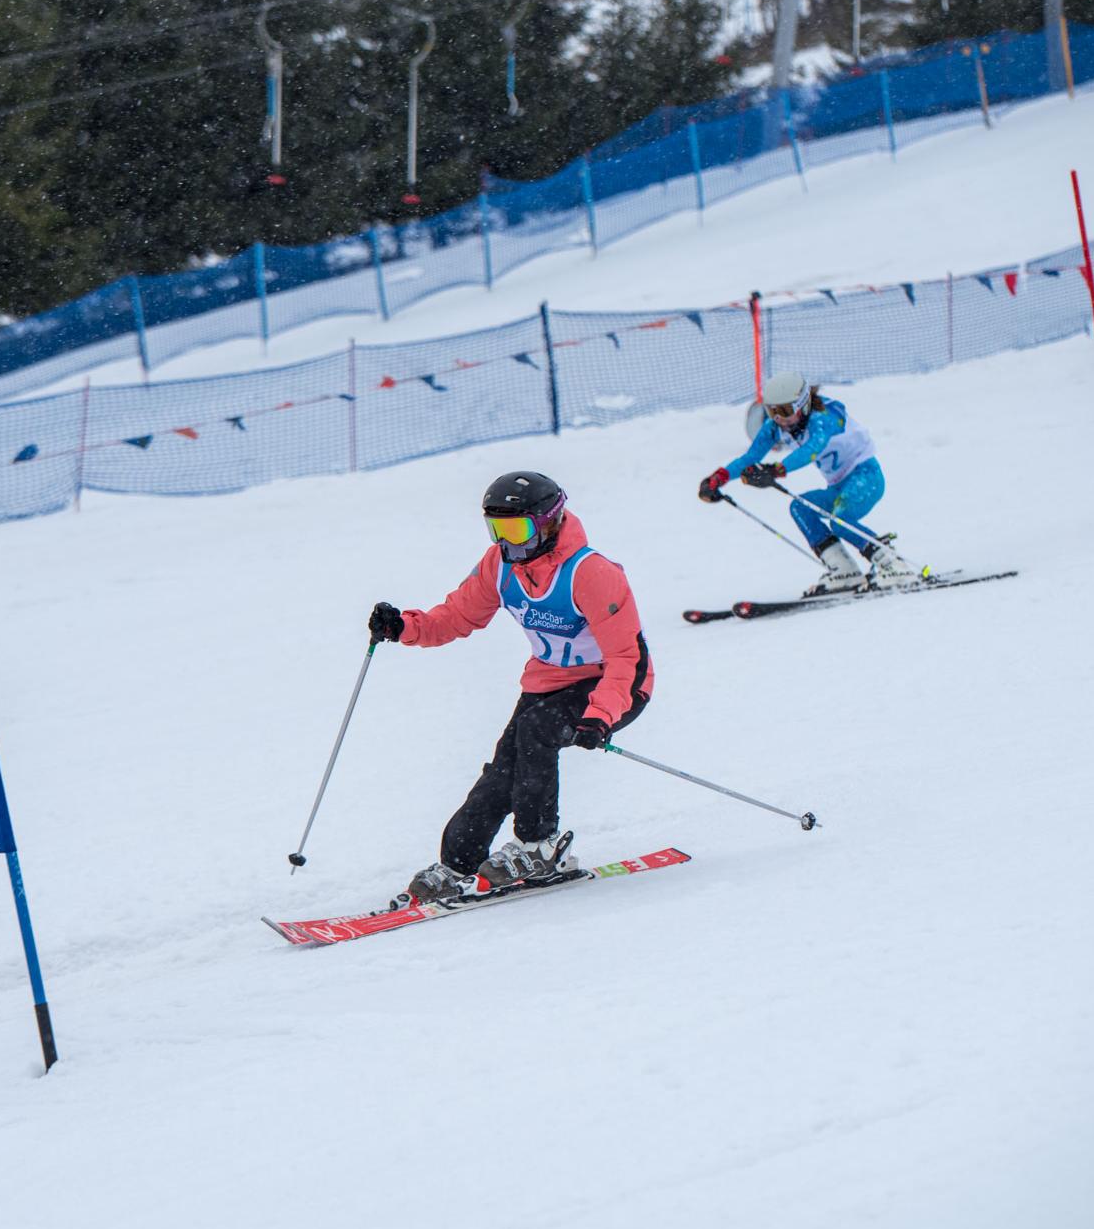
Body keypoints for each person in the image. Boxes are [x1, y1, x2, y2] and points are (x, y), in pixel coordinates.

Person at [367, 471, 655, 908]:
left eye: (516, 529)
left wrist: (601, 714)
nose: (507, 542)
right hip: (548, 682)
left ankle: (539, 848)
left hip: (616, 685)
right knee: (505, 767)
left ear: (549, 522)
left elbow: (626, 659)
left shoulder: (592, 573)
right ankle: (458, 863)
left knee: (536, 731)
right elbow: (455, 617)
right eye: (497, 530)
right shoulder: (500, 566)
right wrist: (405, 626)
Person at [697, 371, 918, 594]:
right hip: (839, 486)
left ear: (802, 404)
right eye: (772, 411)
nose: (779, 419)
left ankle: (893, 565)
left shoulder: (826, 415)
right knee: (801, 507)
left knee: (840, 521)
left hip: (865, 476)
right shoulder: (776, 426)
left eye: (784, 411)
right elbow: (750, 457)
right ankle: (844, 570)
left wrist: (776, 470)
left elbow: (812, 449)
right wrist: (717, 479)